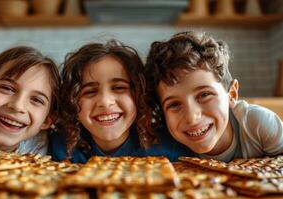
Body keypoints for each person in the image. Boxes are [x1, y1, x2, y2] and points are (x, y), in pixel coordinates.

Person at [145, 31, 283, 162]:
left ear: (232, 94)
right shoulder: (166, 146)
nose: (192, 118)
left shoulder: (258, 124)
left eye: (204, 95)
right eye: (174, 104)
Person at [50, 40, 193, 163]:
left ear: (141, 95)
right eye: (90, 91)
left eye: (119, 88)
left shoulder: (171, 150)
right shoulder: (59, 148)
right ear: (71, 100)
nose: (105, 102)